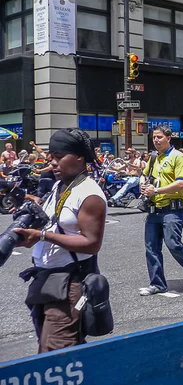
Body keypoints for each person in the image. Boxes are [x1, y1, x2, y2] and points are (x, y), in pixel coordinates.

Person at [15, 128, 107, 352]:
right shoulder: (59, 186)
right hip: (45, 279)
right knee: (56, 350)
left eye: (58, 157)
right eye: (51, 157)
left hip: (70, 282)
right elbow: (53, 223)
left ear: (79, 157)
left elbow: (92, 243)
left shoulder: (89, 194)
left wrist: (43, 236)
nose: (53, 163)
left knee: (54, 353)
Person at [139, 125, 183, 296]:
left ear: (168, 138)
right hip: (154, 209)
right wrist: (142, 183)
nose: (156, 140)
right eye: (154, 137)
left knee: (173, 244)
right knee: (151, 247)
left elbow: (181, 184)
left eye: (159, 137)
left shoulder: (178, 157)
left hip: (173, 209)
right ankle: (157, 284)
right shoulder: (153, 158)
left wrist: (157, 191)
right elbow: (144, 175)